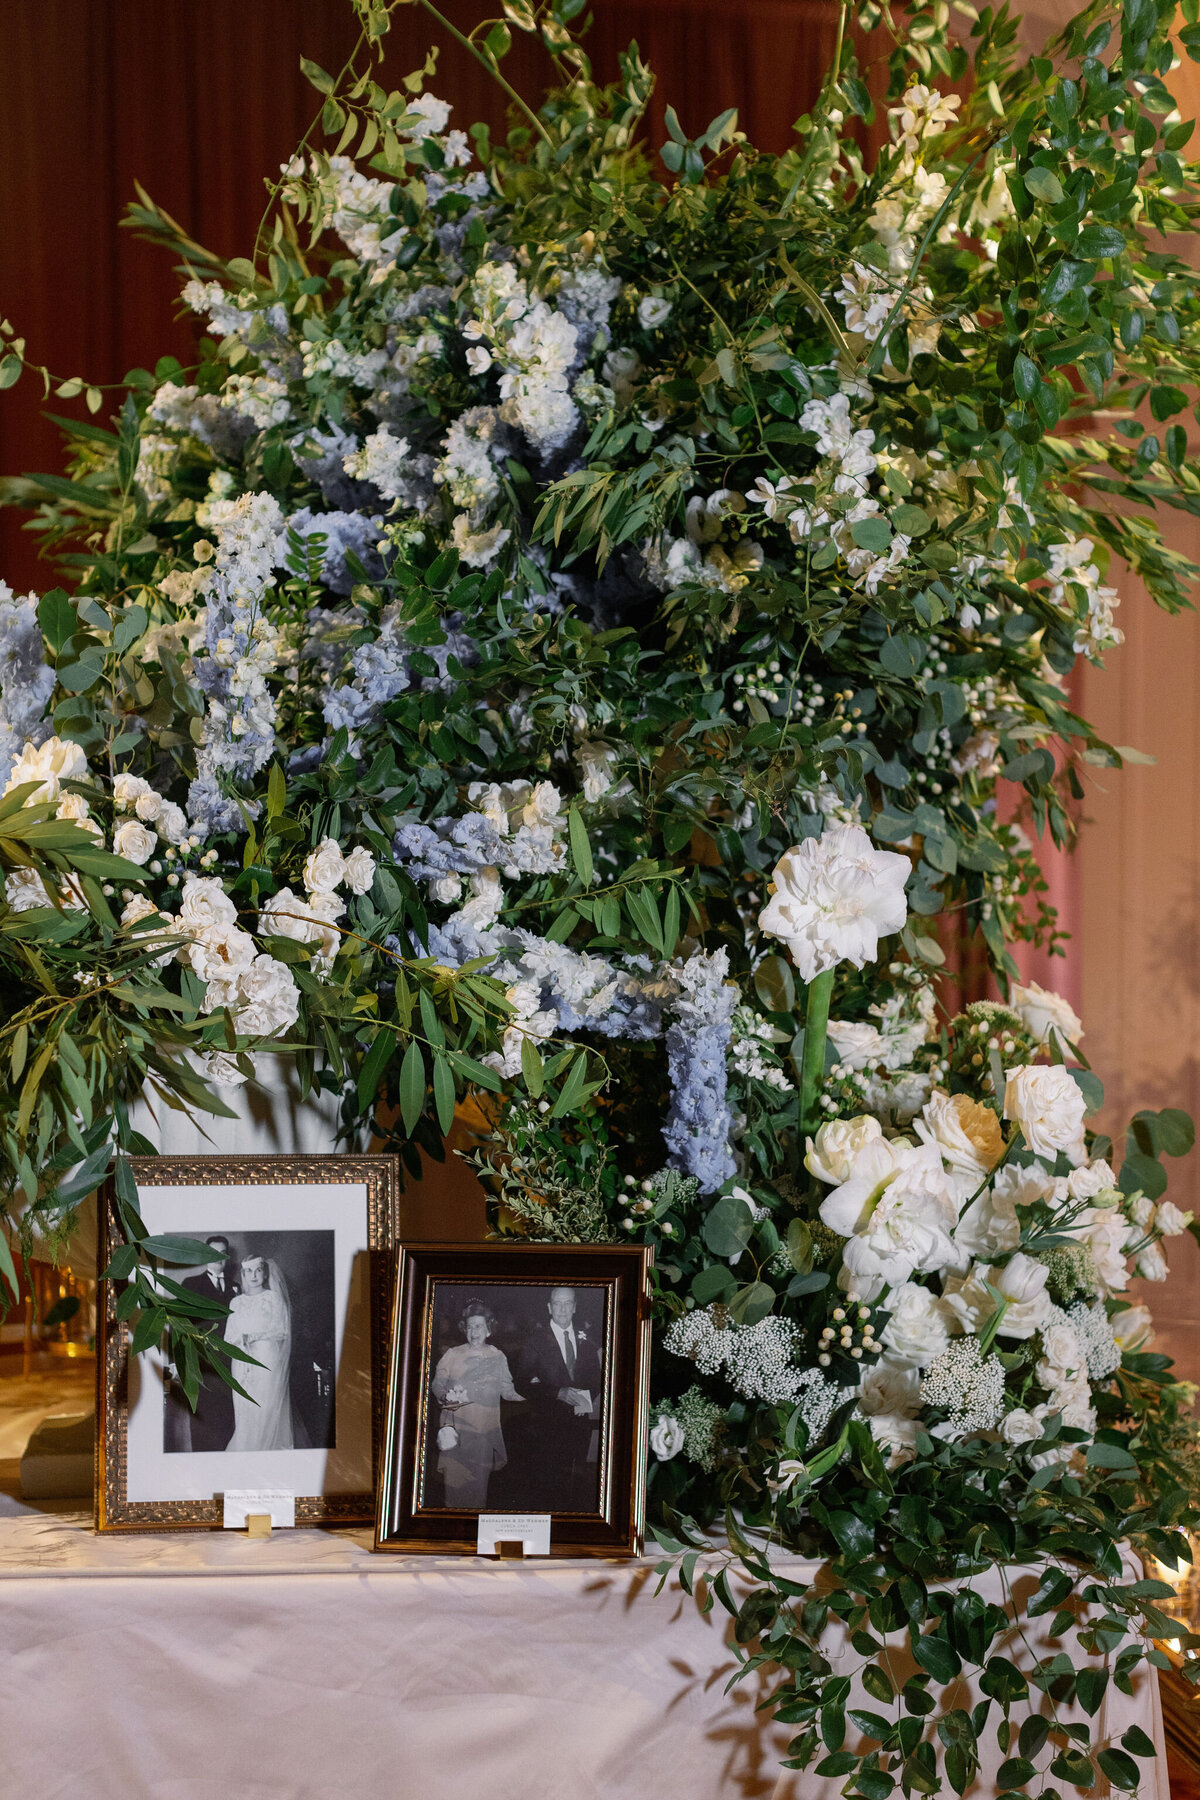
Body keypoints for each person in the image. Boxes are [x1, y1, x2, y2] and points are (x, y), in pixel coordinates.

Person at [515, 1287, 603, 1511]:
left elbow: (595, 1378)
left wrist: (584, 1398)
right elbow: (522, 1383)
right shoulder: (535, 1340)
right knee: (548, 1487)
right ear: (549, 1307)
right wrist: (557, 1393)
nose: (562, 1308)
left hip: (580, 1425)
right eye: (557, 1303)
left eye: (567, 1303)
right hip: (547, 1427)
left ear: (574, 1307)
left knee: (576, 1485)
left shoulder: (588, 1340)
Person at [431, 1299, 524, 1509]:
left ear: (489, 1329)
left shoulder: (498, 1357)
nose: (474, 1331)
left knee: (478, 1490)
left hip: (483, 1433)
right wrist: (446, 1398)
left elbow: (508, 1391)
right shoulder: (452, 1355)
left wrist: (537, 1394)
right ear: (465, 1329)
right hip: (455, 1432)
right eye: (470, 1326)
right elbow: (437, 1384)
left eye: (479, 1326)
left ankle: (473, 1536)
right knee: (453, 1489)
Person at [174, 1236, 239, 1453]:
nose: (218, 1258)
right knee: (204, 1417)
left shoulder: (237, 1287)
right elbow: (180, 1325)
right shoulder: (191, 1284)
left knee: (229, 1416)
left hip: (231, 1363)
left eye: (223, 1253)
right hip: (202, 1361)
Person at [224, 1255, 295, 1452]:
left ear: (265, 1273)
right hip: (241, 1360)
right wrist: (242, 1341)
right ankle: (248, 1449)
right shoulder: (235, 1303)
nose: (253, 1275)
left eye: (258, 1270)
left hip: (266, 1357)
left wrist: (255, 1336)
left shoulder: (273, 1298)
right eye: (248, 1271)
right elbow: (229, 1337)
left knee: (266, 1405)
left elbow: (282, 1331)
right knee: (245, 1406)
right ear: (243, 1274)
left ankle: (267, 1451)